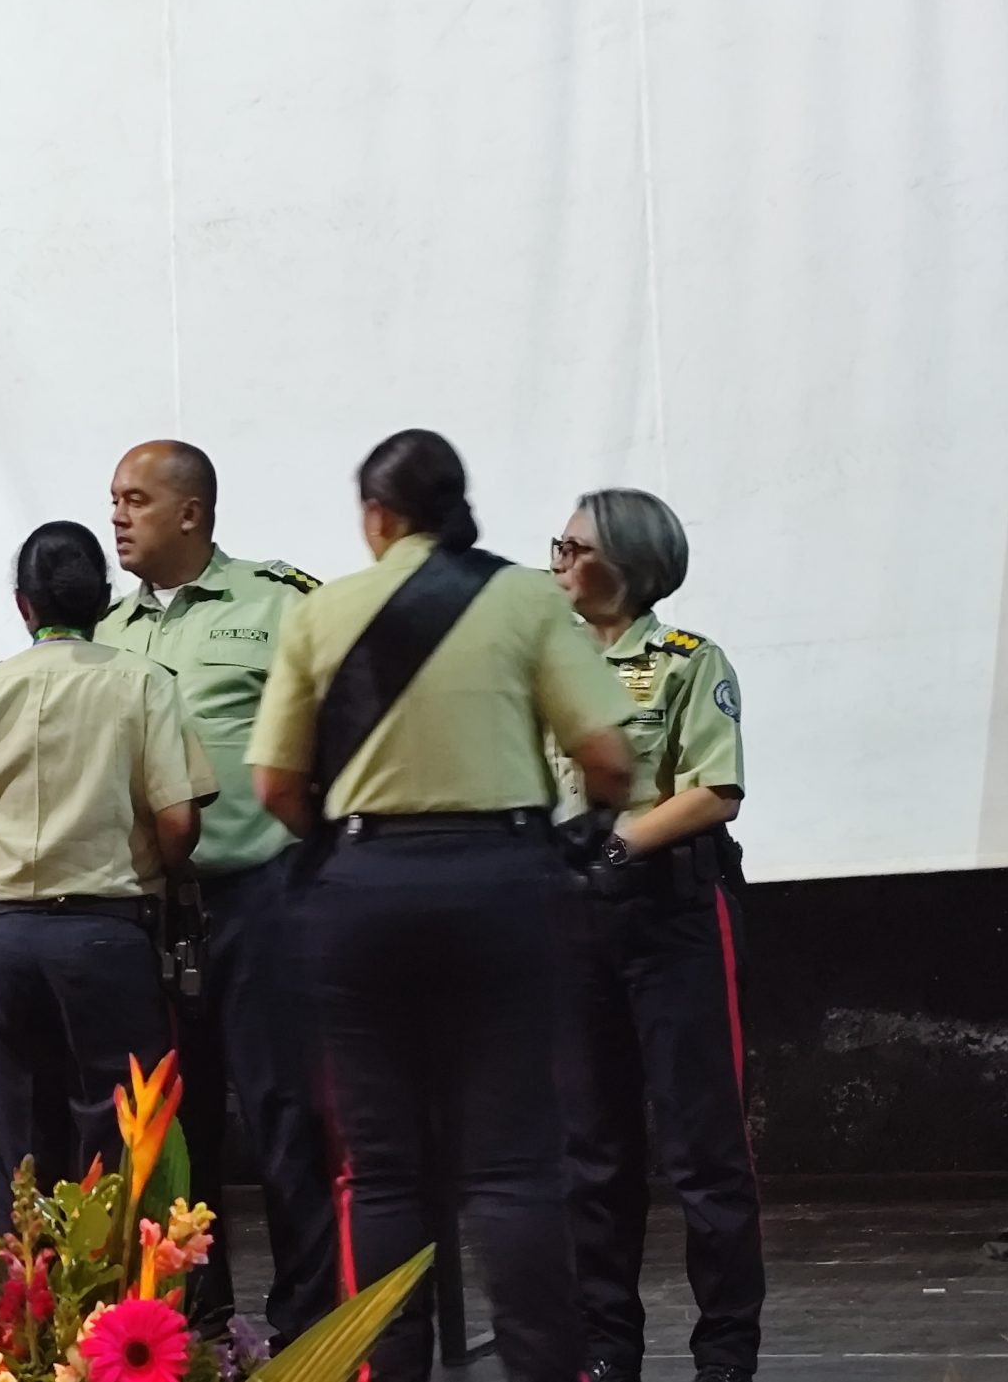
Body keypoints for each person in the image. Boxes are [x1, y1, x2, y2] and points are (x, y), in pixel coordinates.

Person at [246, 430, 635, 1382]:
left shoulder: (320, 611)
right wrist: (572, 840)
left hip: (363, 898)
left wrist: (343, 845)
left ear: (377, 515)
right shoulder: (525, 599)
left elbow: (274, 785)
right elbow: (610, 759)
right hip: (502, 889)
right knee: (514, 1167)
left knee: (382, 1172)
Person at [96, 440, 337, 1339]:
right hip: (154, 908)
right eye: (114, 499)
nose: (117, 515)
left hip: (264, 896)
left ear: (191, 513)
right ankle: (197, 1324)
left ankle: (309, 1321)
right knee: (169, 1126)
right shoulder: (107, 631)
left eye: (136, 499)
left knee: (285, 1111)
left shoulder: (280, 603)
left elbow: (342, 732)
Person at [0, 521, 211, 1224]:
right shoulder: (144, 682)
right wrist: (156, 872)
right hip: (111, 937)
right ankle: (113, 1290)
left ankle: (14, 1290)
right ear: (104, 600)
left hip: (3, 940)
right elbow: (178, 823)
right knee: (123, 1138)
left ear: (23, 605)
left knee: (9, 1142)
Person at [550, 490, 760, 1382]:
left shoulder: (685, 660)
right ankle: (606, 1344)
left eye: (575, 548)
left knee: (702, 1149)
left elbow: (715, 789)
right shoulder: (541, 662)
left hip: (671, 913)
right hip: (570, 921)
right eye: (557, 545)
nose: (558, 562)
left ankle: (725, 1352)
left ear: (628, 565)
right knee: (591, 1150)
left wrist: (616, 843)